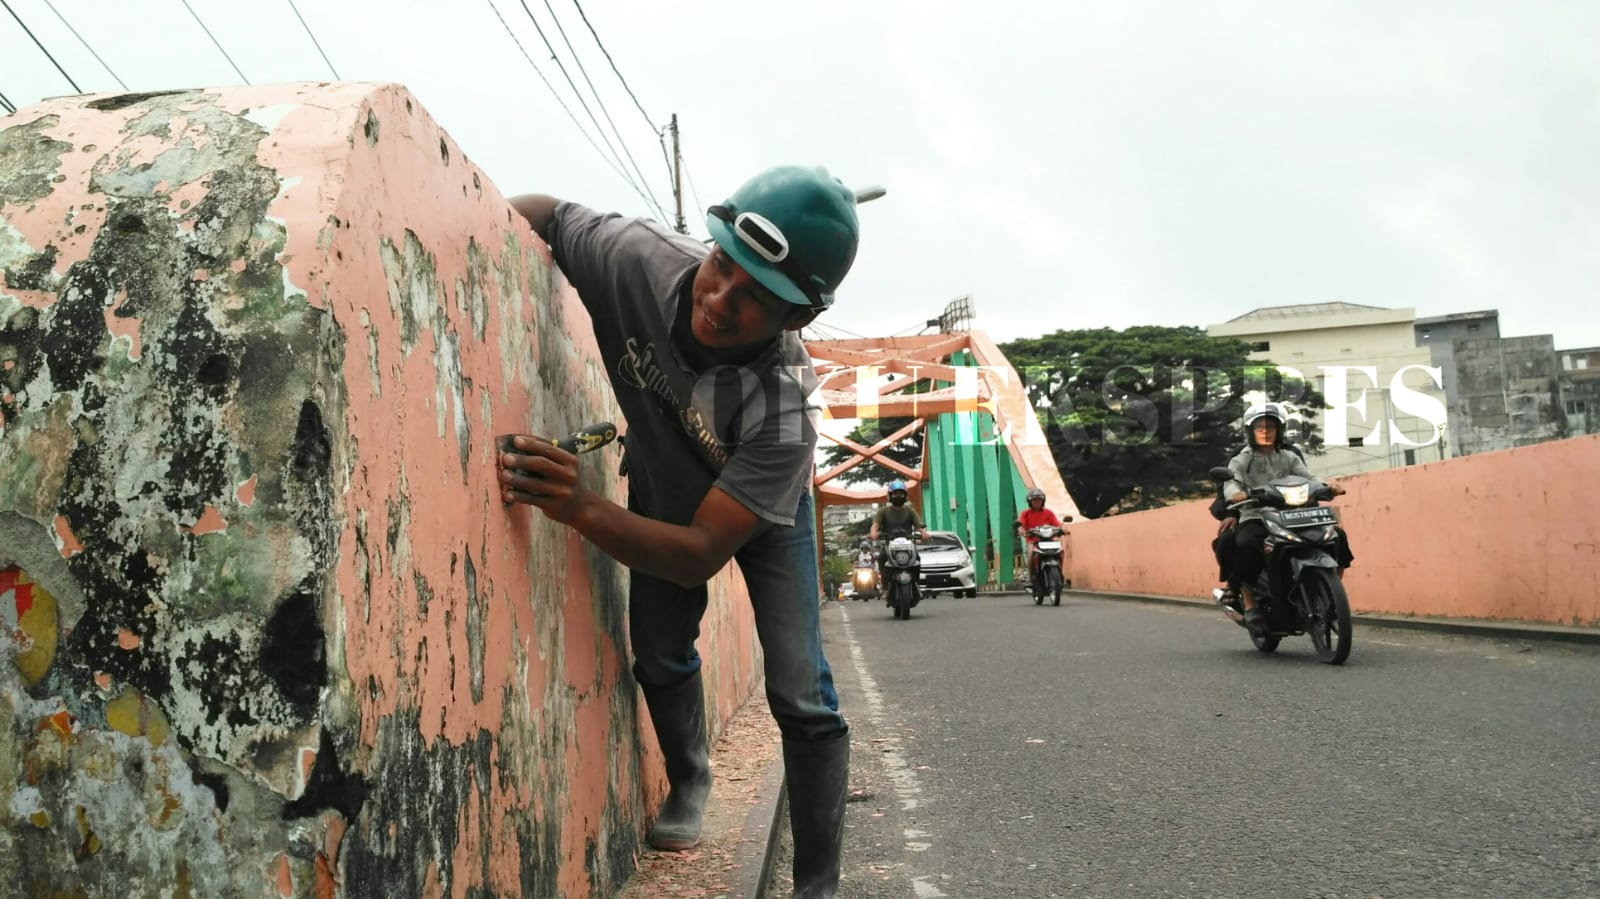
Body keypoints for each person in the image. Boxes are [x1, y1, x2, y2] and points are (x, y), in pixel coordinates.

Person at [499, 166, 858, 898]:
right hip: (666, 484)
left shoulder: (786, 412)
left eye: (756, 299)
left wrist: (581, 508)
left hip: (760, 519)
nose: (720, 300)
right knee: (659, 651)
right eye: (723, 265)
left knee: (803, 694)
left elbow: (698, 555)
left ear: (796, 320)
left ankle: (817, 886)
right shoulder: (636, 258)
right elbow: (545, 208)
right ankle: (690, 779)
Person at [1221, 403, 1350, 630]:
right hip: (1256, 515)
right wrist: (1236, 494)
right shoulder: (1240, 459)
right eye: (1259, 427)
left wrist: (1328, 487)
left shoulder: (1289, 457)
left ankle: (1332, 592)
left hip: (1293, 514)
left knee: (1337, 536)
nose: (1265, 431)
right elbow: (1230, 482)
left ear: (1279, 430)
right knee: (1247, 543)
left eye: (1271, 426)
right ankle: (1250, 604)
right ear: (1250, 431)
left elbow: (1309, 477)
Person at [1013, 487, 1066, 586]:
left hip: (1049, 541)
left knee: (1061, 551)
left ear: (1043, 501)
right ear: (1030, 502)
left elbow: (1057, 524)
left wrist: (1063, 529)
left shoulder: (1049, 513)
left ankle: (1060, 573)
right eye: (1034, 500)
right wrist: (1021, 529)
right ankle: (1030, 577)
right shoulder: (1025, 513)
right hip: (1033, 541)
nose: (1037, 502)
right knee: (1030, 553)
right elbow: (1021, 524)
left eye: (1039, 500)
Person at [868, 480, 926, 548]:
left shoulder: (910, 511)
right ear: (890, 496)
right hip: (887, 546)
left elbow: (919, 525)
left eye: (901, 494)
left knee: (916, 557)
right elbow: (875, 525)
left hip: (908, 545)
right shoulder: (883, 511)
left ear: (905, 496)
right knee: (881, 558)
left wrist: (924, 533)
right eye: (895, 494)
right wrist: (873, 533)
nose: (898, 497)